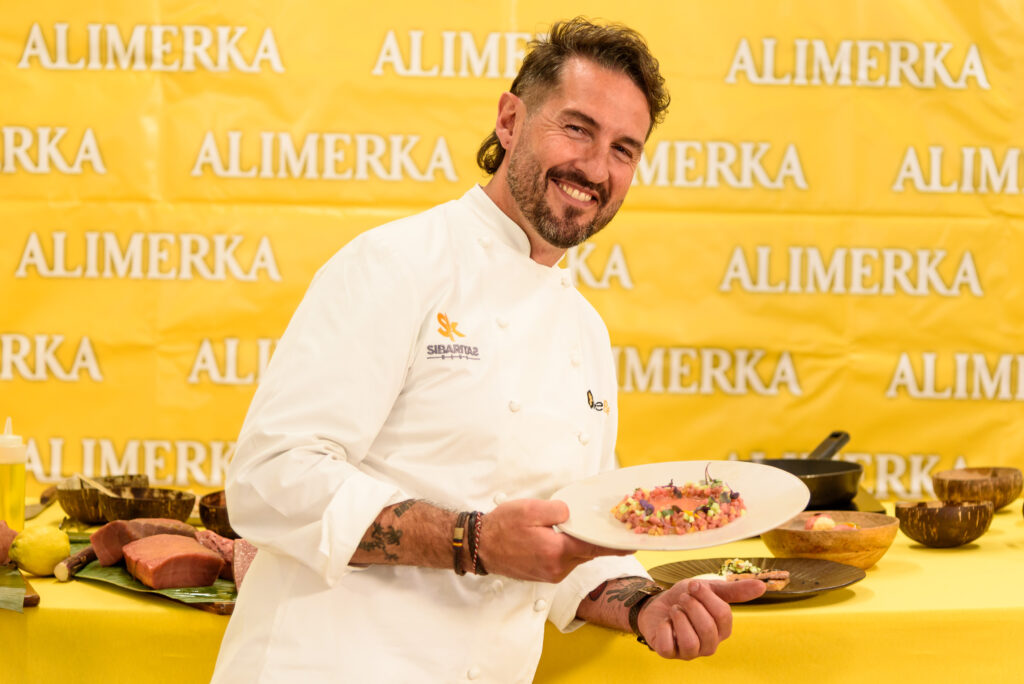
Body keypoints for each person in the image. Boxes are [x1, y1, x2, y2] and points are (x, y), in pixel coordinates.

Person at [210, 16, 765, 683]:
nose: (595, 167)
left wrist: (645, 602)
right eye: (576, 127)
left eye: (624, 148)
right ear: (509, 120)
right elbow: (269, 480)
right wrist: (473, 541)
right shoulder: (395, 264)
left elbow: (567, 534)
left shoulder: (584, 330)